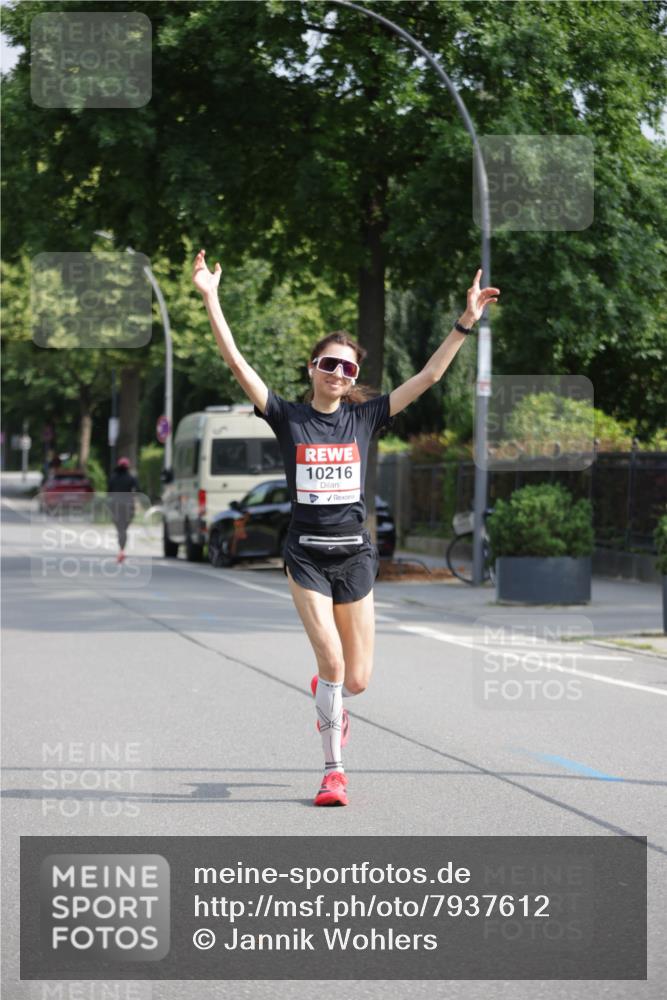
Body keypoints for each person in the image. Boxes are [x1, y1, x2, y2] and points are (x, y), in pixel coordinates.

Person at [193, 249, 499, 806]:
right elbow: (237, 363)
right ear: (312, 368)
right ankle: (333, 772)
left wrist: (465, 323)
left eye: (349, 368)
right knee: (331, 662)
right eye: (329, 364)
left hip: (356, 557)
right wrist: (212, 298)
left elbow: (429, 376)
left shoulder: (366, 416)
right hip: (306, 557)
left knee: (355, 680)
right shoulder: (287, 416)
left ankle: (330, 696)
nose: (339, 374)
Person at [107, 457, 139, 563]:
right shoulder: (131, 478)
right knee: (124, 529)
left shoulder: (113, 477)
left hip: (115, 506)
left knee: (120, 529)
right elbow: (137, 490)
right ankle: (122, 550)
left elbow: (109, 492)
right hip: (128, 506)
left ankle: (121, 550)